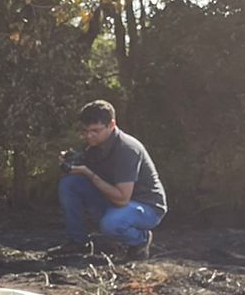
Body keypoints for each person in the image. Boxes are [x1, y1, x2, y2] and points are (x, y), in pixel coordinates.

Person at [58, 99, 167, 257]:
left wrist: (87, 173)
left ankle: (140, 240)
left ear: (111, 125)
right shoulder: (93, 146)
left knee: (112, 224)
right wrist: (69, 163)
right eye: (85, 131)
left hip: (146, 206)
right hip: (116, 200)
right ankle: (78, 241)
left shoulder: (127, 149)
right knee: (70, 183)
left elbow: (122, 198)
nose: (89, 135)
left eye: (95, 130)